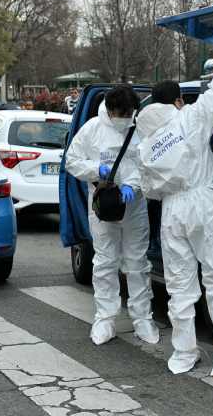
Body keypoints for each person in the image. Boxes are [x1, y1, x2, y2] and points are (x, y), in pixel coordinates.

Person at [135, 67, 213, 376]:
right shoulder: (189, 118)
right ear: (177, 101)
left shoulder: (146, 142)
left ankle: (184, 352)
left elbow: (148, 189)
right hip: (203, 203)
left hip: (172, 210)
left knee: (179, 284)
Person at [65, 85, 160, 346]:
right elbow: (72, 161)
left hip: (133, 204)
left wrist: (133, 184)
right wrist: (97, 168)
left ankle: (143, 319)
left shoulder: (139, 128)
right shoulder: (92, 129)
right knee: (105, 261)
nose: (126, 117)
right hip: (103, 205)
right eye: (122, 113)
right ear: (109, 110)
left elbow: (148, 163)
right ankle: (105, 318)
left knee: (137, 262)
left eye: (130, 112)